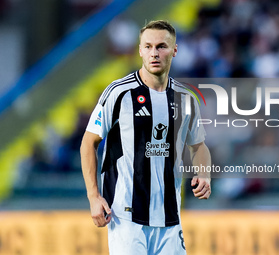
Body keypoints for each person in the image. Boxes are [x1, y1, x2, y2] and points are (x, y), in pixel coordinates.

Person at [80, 20, 211, 255]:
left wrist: (204, 174)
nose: (154, 53)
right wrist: (93, 196)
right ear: (139, 50)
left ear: (174, 50)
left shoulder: (186, 98)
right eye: (148, 46)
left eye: (161, 46)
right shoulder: (119, 93)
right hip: (126, 217)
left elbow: (198, 145)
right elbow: (89, 142)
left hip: (170, 218)